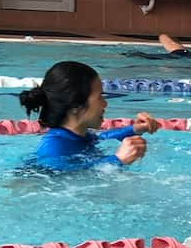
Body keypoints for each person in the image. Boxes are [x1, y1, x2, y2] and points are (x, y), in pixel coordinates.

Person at [21, 61, 157, 171]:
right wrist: (117, 160)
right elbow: (65, 181)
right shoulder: (53, 148)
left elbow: (101, 138)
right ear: (76, 105)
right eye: (99, 97)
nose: (105, 104)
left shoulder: (78, 136)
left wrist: (135, 129)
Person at [125, 34, 191, 60]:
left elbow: (163, 36)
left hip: (141, 56)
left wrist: (179, 45)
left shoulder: (185, 53)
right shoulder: (188, 56)